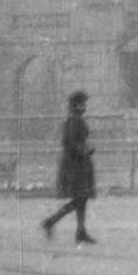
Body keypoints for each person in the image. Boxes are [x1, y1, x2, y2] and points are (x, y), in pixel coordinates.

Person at [41, 91, 97, 244]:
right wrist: (85, 150)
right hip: (75, 165)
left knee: (82, 198)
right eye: (82, 104)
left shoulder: (75, 120)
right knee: (80, 198)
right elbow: (70, 143)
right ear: (76, 106)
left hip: (78, 163)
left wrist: (85, 149)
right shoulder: (74, 121)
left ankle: (80, 230)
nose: (84, 107)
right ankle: (52, 222)